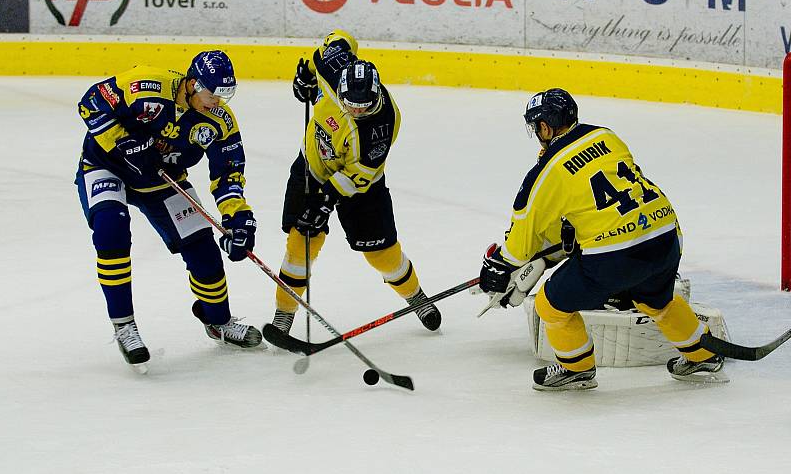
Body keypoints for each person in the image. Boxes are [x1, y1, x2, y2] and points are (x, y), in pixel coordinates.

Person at [478, 88, 726, 390]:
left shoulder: (546, 173)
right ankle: (703, 355)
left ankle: (576, 368)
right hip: (665, 236)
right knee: (656, 300)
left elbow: (520, 246)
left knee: (550, 305)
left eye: (536, 127)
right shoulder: (605, 135)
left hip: (616, 257)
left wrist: (499, 266)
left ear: (545, 127)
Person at [75, 50, 262, 370]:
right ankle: (125, 327)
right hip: (107, 168)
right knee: (110, 230)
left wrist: (238, 216)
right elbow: (91, 102)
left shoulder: (219, 121)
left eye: (224, 93)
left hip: (164, 181)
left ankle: (218, 321)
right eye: (211, 91)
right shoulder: (146, 84)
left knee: (203, 250)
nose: (217, 100)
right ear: (192, 83)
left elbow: (228, 171)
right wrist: (124, 144)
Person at [270, 29, 440, 334]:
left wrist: (323, 203)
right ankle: (284, 313)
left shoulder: (382, 124)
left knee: (382, 254)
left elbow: (355, 178)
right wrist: (307, 76)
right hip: (312, 166)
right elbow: (339, 38)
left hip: (362, 187)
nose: (358, 110)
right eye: (351, 104)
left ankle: (415, 295)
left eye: (365, 105)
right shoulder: (332, 64)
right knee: (300, 244)